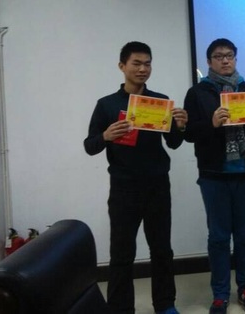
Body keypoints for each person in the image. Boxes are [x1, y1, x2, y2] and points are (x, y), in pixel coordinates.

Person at [84, 41, 188, 314]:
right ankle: (120, 309)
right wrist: (106, 136)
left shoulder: (159, 102)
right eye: (137, 63)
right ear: (122, 66)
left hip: (157, 185)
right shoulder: (107, 105)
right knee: (121, 253)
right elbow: (89, 145)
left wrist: (179, 126)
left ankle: (165, 305)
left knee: (162, 249)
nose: (143, 69)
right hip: (124, 188)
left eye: (147, 64)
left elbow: (174, 143)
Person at [183, 38, 245, 314]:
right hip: (214, 174)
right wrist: (211, 123)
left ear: (236, 58)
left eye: (230, 55)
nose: (225, 60)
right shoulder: (197, 93)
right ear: (208, 61)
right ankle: (220, 294)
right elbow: (189, 134)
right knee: (219, 237)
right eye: (219, 56)